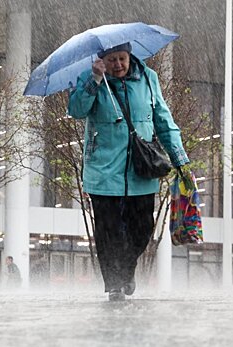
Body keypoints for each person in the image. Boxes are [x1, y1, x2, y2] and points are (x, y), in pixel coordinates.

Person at [68, 43, 193, 301]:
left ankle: (125, 269)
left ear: (130, 56)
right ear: (101, 59)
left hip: (141, 168)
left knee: (142, 229)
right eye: (111, 60)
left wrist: (181, 160)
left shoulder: (149, 78)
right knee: (108, 230)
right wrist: (95, 80)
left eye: (122, 58)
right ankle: (115, 284)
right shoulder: (90, 78)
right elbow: (76, 110)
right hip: (102, 169)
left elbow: (163, 120)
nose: (118, 65)